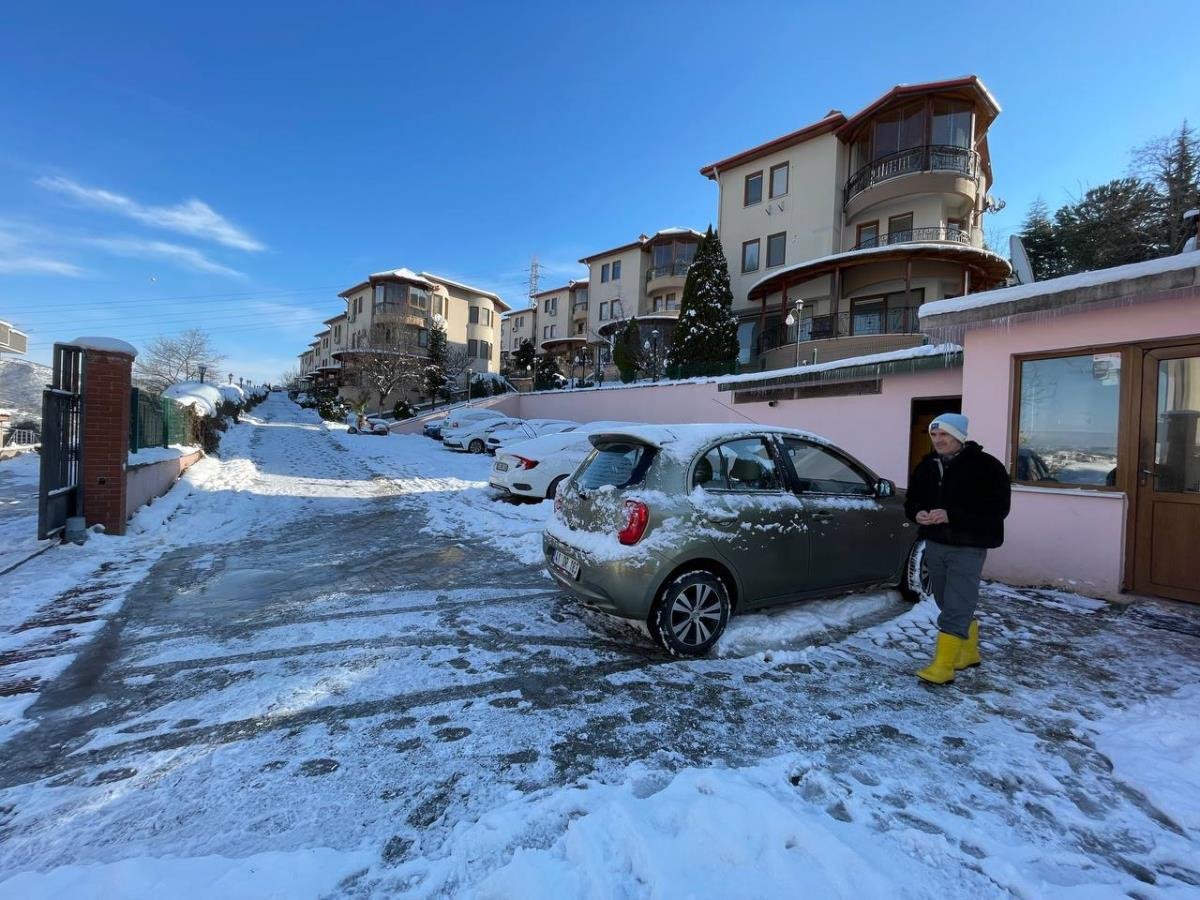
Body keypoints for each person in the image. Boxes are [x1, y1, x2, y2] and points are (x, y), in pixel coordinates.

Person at [905, 413, 1011, 685]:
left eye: (944, 434)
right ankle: (969, 653)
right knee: (945, 600)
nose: (938, 440)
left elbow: (998, 509)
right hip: (935, 543)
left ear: (959, 436)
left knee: (957, 602)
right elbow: (912, 500)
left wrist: (952, 515)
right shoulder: (927, 465)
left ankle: (943, 667)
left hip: (969, 545)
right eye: (934, 435)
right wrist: (917, 513)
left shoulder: (987, 466)